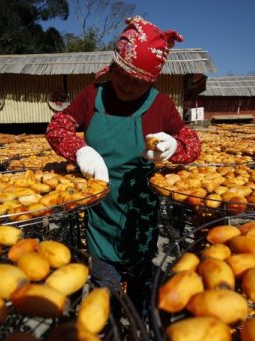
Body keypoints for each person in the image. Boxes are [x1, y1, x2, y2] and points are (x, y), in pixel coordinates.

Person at [45, 16, 201, 311]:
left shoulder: (161, 105)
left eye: (138, 81)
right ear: (114, 64)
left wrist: (174, 148)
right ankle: (113, 319)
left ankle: (139, 317)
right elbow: (58, 126)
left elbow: (193, 145)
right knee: (106, 288)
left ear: (152, 80)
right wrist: (80, 151)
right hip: (100, 211)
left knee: (140, 280)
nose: (127, 85)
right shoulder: (93, 95)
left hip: (139, 214)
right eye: (122, 74)